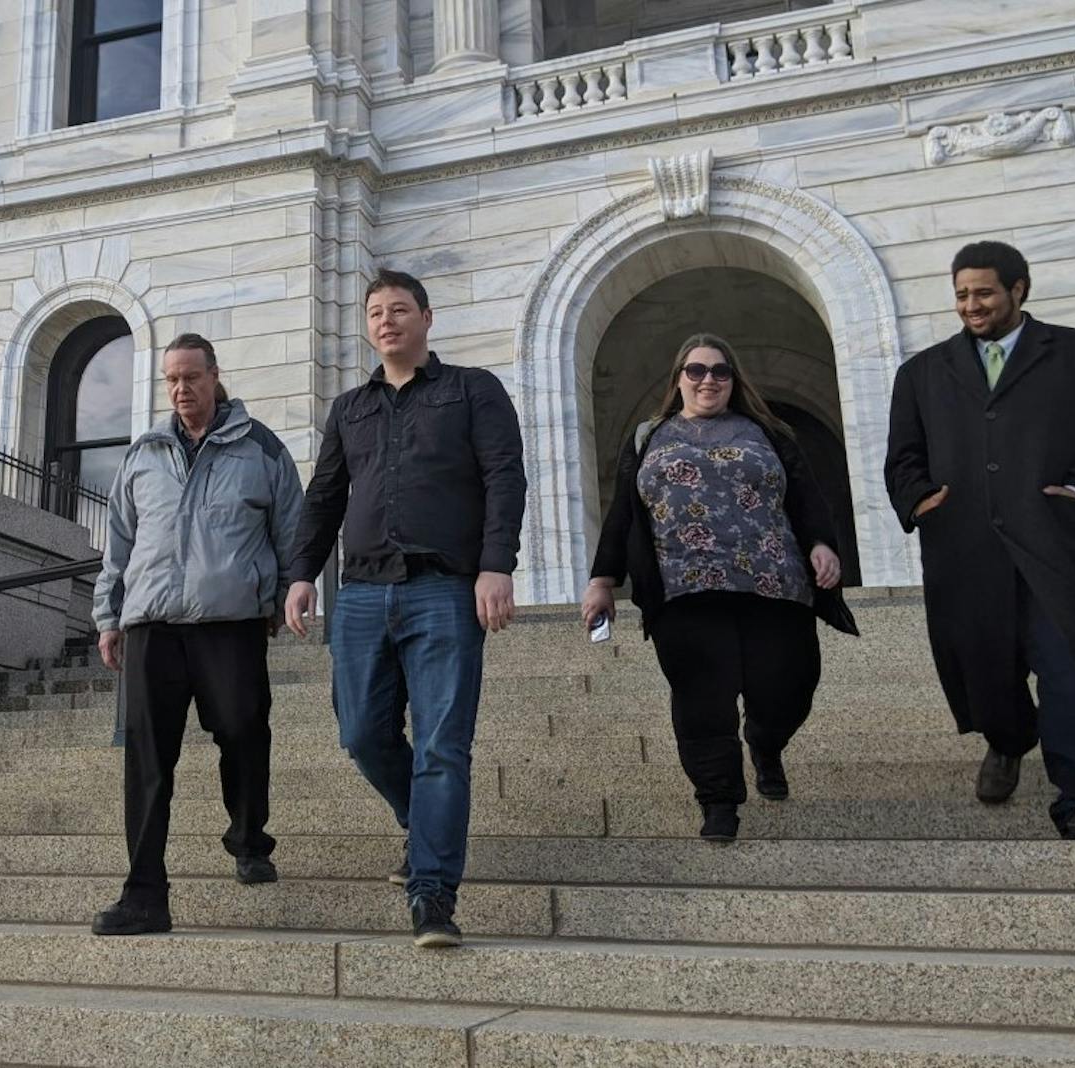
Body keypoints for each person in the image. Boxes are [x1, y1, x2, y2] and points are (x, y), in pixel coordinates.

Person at [885, 241, 1075, 841]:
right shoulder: (920, 374)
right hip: (964, 551)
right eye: (962, 294)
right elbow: (902, 459)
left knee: (1070, 667)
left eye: (984, 292)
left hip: (1054, 546)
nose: (971, 305)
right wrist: (919, 500)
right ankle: (1009, 740)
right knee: (985, 673)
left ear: (1020, 289)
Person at [283, 269, 526, 949]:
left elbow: (504, 476)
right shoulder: (349, 408)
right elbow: (324, 497)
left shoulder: (472, 391)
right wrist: (301, 574)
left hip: (444, 589)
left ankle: (432, 896)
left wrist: (496, 565)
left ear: (426, 317)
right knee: (361, 734)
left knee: (444, 747)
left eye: (398, 310)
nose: (385, 322)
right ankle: (421, 825)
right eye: (375, 313)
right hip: (359, 594)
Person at [582, 332, 856, 842]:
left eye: (720, 371)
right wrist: (603, 581)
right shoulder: (649, 436)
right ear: (678, 379)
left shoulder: (768, 432)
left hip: (775, 586)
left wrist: (822, 544)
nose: (709, 379)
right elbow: (623, 512)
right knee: (701, 700)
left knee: (789, 689)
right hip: (684, 592)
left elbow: (807, 498)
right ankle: (718, 802)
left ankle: (765, 742)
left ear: (733, 380)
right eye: (697, 370)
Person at [90, 333, 304, 935]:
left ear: (215, 375)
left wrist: (291, 590)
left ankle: (248, 838)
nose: (182, 390)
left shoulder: (259, 447)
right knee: (147, 757)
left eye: (192, 377)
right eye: (172, 381)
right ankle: (143, 894)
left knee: (241, 730)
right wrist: (109, 616)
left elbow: (291, 530)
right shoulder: (142, 455)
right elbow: (119, 546)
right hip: (151, 624)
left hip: (230, 621)